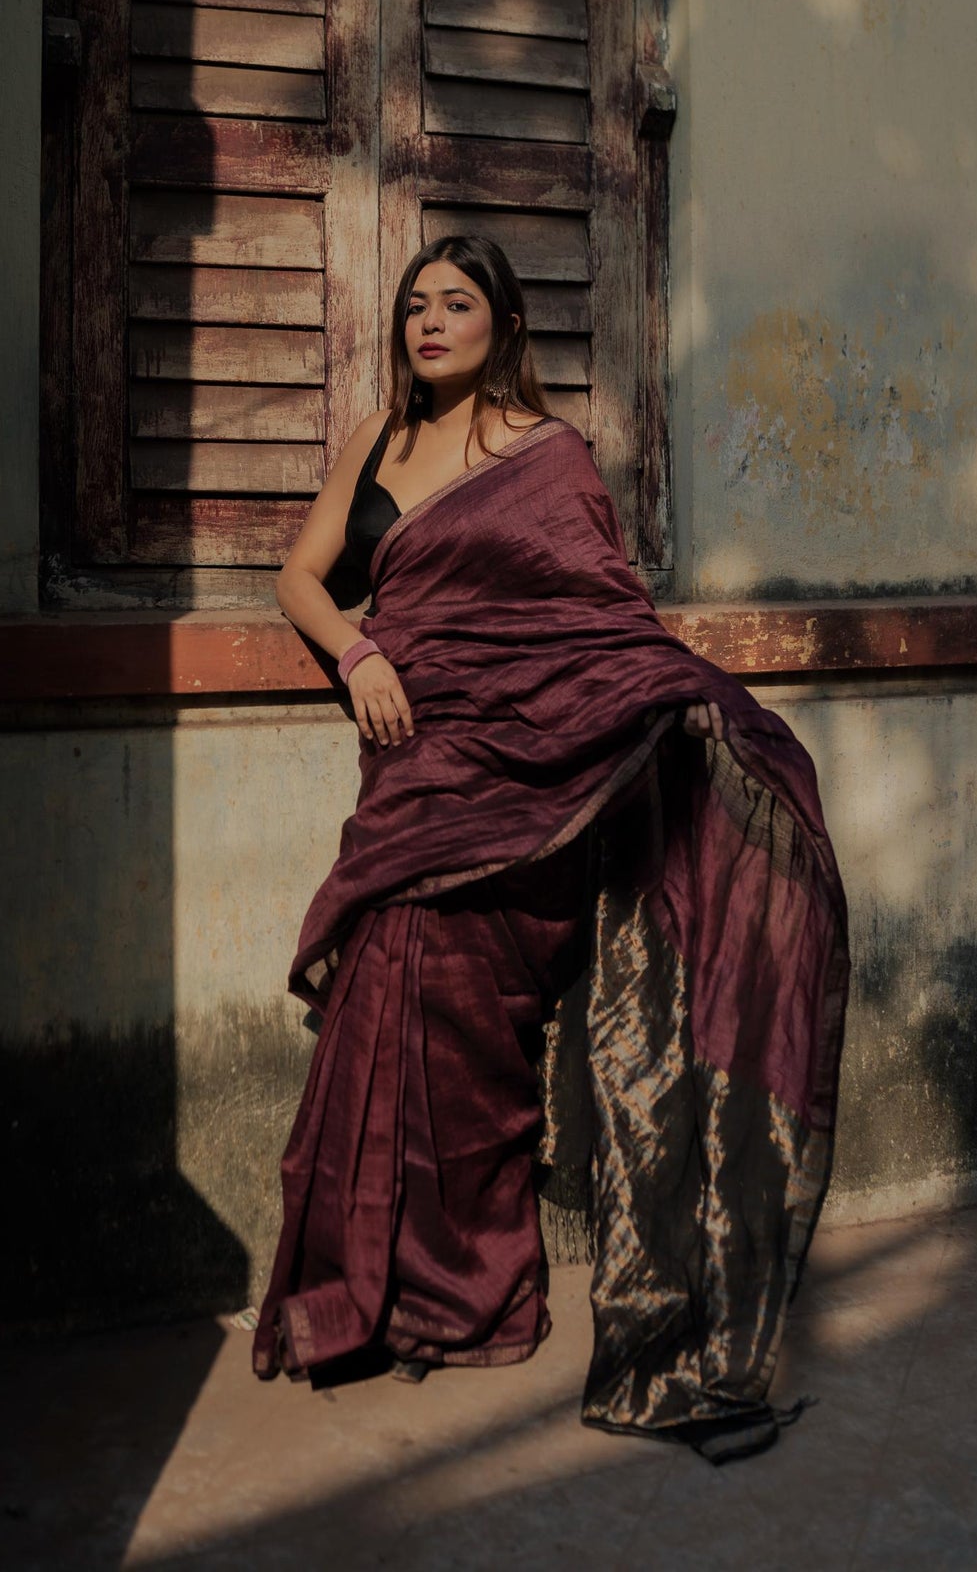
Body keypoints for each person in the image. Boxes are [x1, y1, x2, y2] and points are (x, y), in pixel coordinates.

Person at [252, 234, 849, 1462]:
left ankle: (476, 1297)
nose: (427, 321)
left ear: (503, 323)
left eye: (454, 303)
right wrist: (358, 650)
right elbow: (302, 578)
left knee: (475, 1029)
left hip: (525, 785)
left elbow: (601, 620)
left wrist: (691, 707)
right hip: (415, 765)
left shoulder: (549, 457)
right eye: (414, 303)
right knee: (384, 1001)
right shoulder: (376, 440)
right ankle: (364, 1299)